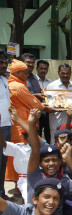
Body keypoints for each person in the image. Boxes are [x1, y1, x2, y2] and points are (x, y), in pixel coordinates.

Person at [0, 178, 70, 215]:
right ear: (34, 199)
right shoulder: (21, 214)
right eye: (46, 197)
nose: (51, 202)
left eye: (56, 199)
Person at [46, 63, 72, 144]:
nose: (65, 75)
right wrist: (56, 108)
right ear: (58, 73)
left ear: (70, 73)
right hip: (57, 123)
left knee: (71, 144)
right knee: (56, 145)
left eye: (67, 73)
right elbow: (47, 107)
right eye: (63, 73)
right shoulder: (52, 86)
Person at [0, 50, 12, 199]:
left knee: (3, 161)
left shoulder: (4, 80)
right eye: (0, 62)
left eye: (4, 62)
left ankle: (1, 193)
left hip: (6, 125)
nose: (3, 65)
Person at [36, 59, 52, 144]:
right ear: (37, 68)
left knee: (48, 132)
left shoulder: (50, 83)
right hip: (37, 112)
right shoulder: (32, 80)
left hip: (47, 112)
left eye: (45, 69)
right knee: (37, 133)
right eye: (41, 68)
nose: (43, 70)